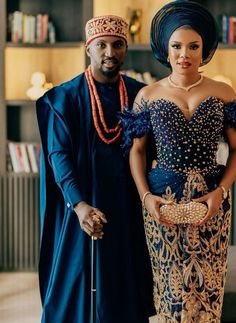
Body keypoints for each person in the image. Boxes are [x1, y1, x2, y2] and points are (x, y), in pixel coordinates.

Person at [121, 1, 236, 322]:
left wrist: (222, 193)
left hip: (212, 200)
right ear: (165, 49)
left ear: (205, 50)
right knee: (170, 288)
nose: (184, 54)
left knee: (209, 286)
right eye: (176, 46)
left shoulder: (224, 92)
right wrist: (146, 198)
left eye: (193, 46)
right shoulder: (148, 94)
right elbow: (138, 152)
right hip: (162, 200)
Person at [36, 15, 155, 323]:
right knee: (75, 290)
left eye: (117, 45)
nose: (109, 52)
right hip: (80, 203)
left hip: (127, 206)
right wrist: (78, 205)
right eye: (101, 45)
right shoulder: (65, 98)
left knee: (123, 287)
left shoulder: (141, 95)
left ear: (125, 49)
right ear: (88, 49)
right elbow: (57, 155)